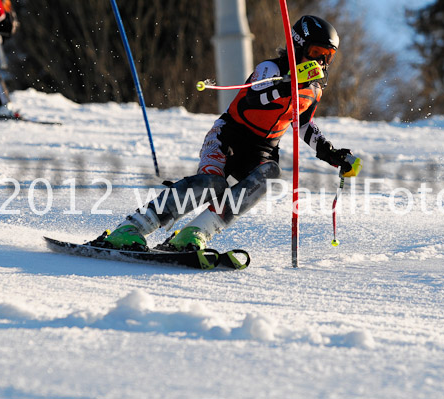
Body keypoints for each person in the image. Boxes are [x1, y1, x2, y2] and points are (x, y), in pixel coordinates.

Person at [101, 15, 362, 252]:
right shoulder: (270, 69)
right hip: (229, 136)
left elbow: (303, 123)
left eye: (327, 57)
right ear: (297, 47)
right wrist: (286, 86)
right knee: (211, 184)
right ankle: (132, 227)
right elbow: (253, 99)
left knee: (270, 174)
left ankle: (194, 233)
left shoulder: (313, 89)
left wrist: (330, 153)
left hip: (263, 149)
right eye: (315, 53)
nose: (320, 63)